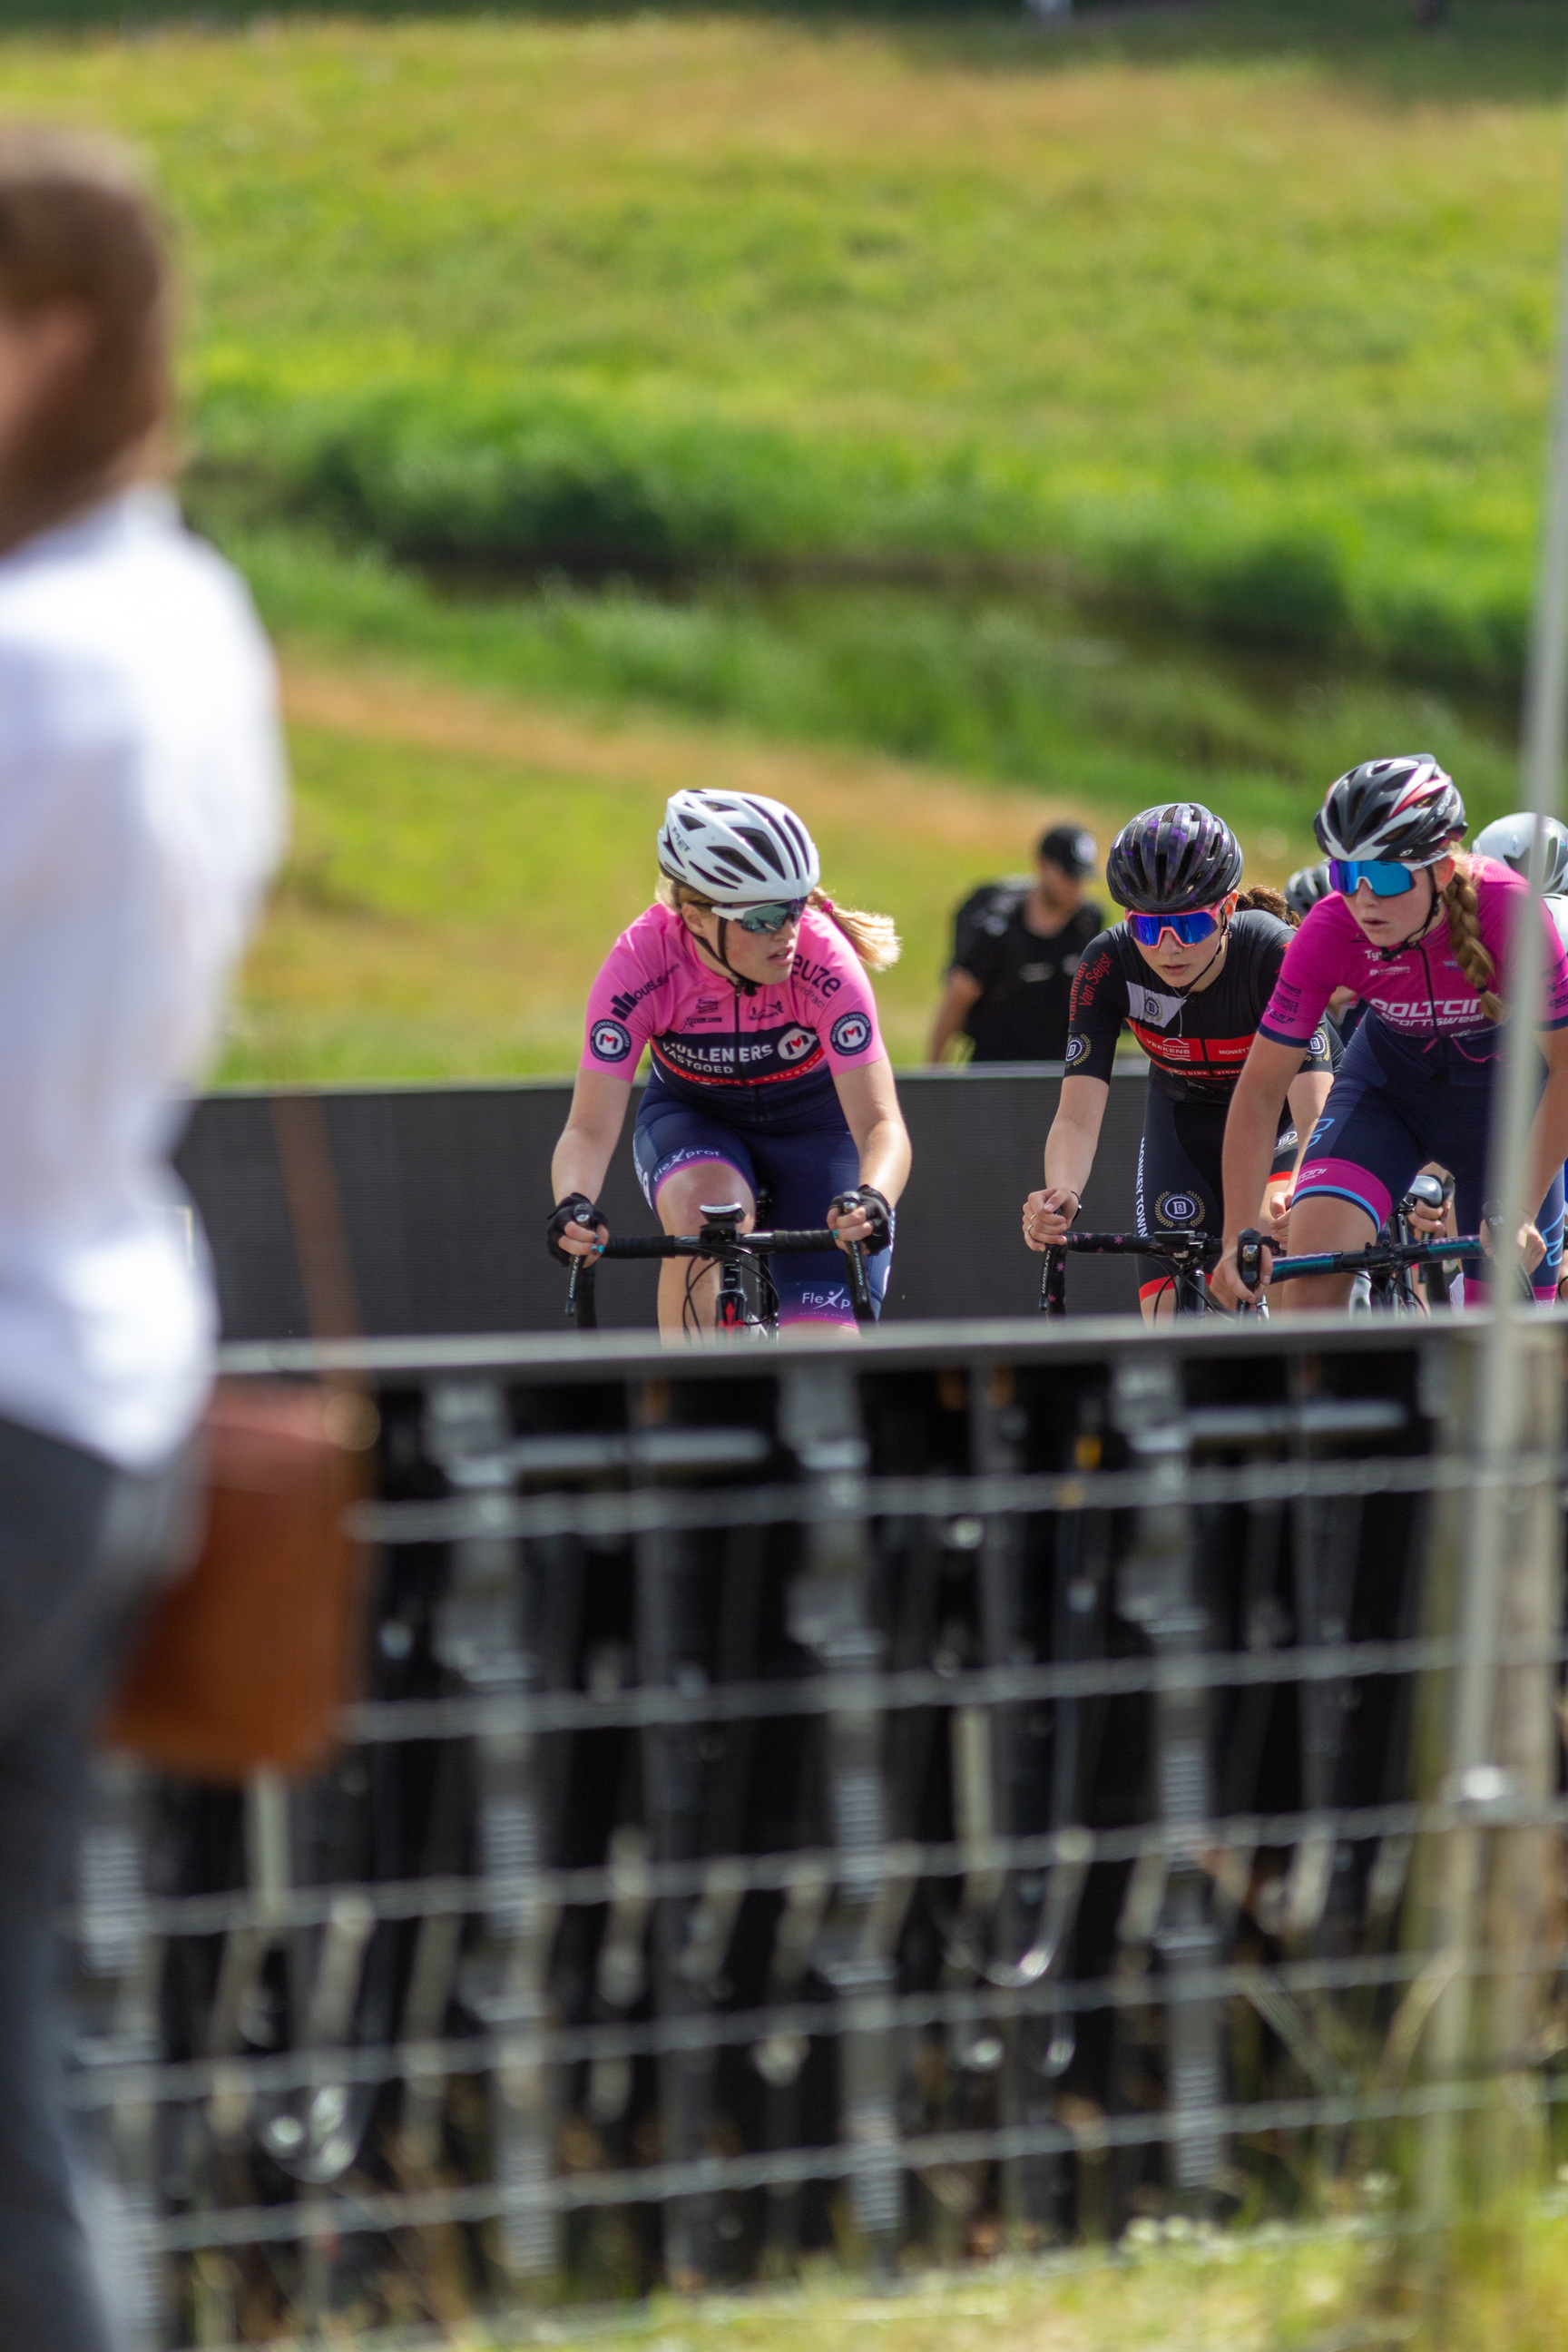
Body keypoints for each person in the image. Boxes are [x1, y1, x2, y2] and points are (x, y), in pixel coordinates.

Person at [0, 131, 284, 2350]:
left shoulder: (37, 662)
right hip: (99, 1381)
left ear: (51, 335)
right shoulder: (179, 613)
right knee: (28, 2063)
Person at [549, 789, 910, 1335]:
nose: (788, 932)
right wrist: (573, 1204)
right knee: (707, 1218)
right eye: (764, 917)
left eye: (796, 907)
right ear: (695, 918)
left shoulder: (826, 961)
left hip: (818, 1131)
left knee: (821, 1363)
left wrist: (873, 1197)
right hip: (697, 1120)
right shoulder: (639, 965)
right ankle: (697, 1399)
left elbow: (883, 1126)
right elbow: (589, 1128)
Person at [1214, 757, 1568, 1313]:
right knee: (1308, 1283)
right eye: (1344, 874)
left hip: (1503, 1112)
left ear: (1443, 870)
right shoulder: (1330, 929)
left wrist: (1521, 1209)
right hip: (1387, 1096)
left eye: (1383, 875)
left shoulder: (1511, 910)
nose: (1363, 898)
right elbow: (1259, 1091)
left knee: (1504, 1341)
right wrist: (1237, 1233)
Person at [1021, 803, 1335, 1318]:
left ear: (1227, 908)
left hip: (1282, 1121)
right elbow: (1076, 1113)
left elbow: (1316, 1109)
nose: (1168, 948)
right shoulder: (1107, 963)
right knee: (1166, 1317)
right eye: (1148, 928)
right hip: (1183, 1117)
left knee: (1271, 1248)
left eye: (1188, 926)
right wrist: (1059, 1196)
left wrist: (1304, 1188)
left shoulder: (1273, 952)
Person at [928, 823, 1102, 1064]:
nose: (1076, 887)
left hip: (1059, 1071)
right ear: (1042, 864)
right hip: (995, 1072)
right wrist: (935, 1075)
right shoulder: (998, 929)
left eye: (1081, 878)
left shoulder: (1088, 923)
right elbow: (956, 1001)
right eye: (1068, 876)